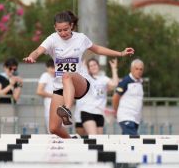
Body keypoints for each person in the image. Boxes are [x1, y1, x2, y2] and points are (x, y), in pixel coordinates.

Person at [23, 10, 134, 138]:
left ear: (71, 25)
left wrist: (120, 53)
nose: (63, 33)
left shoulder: (80, 38)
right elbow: (38, 51)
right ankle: (71, 141)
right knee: (53, 128)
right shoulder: (52, 39)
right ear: (55, 28)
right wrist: (32, 57)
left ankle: (67, 109)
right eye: (59, 30)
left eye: (66, 29)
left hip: (80, 83)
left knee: (67, 75)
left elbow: (97, 49)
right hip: (60, 87)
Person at [74, 58, 119, 135]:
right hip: (87, 112)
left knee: (98, 140)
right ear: (88, 68)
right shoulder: (87, 78)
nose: (93, 67)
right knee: (93, 136)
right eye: (91, 66)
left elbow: (114, 83)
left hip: (99, 113)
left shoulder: (103, 79)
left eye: (95, 65)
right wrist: (82, 66)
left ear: (98, 66)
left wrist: (114, 68)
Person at [112, 59, 144, 135]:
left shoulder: (140, 82)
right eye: (136, 69)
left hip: (136, 118)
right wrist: (116, 111)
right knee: (134, 139)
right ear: (131, 69)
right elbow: (115, 97)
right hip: (126, 116)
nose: (139, 71)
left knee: (127, 142)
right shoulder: (125, 81)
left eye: (141, 69)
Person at [36, 59, 55, 133]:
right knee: (52, 130)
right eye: (51, 68)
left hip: (60, 106)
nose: (53, 70)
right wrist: (54, 96)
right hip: (50, 106)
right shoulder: (45, 76)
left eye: (55, 67)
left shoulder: (60, 76)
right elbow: (39, 91)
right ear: (47, 68)